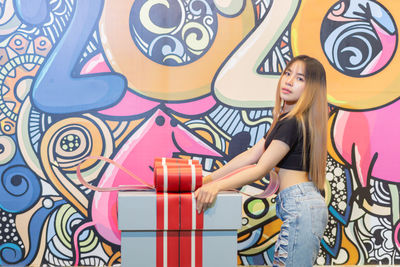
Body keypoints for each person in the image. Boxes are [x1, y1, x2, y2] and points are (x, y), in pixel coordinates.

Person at [195, 55, 329, 267]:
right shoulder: (285, 120)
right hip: (298, 204)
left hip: (300, 204)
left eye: (300, 78)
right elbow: (250, 156)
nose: (289, 80)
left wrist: (216, 186)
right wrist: (207, 180)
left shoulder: (293, 122)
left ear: (312, 87)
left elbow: (260, 168)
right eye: (288, 73)